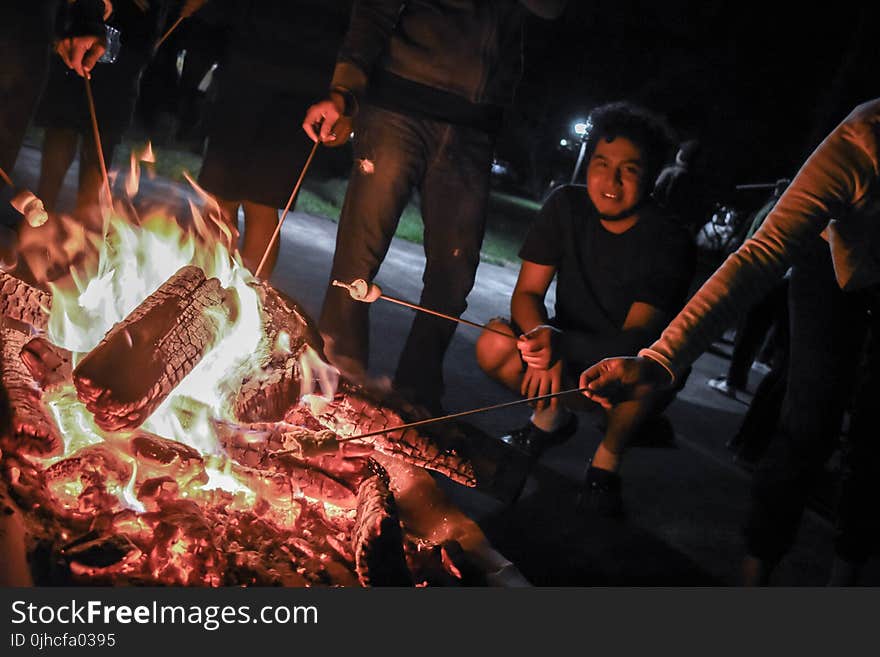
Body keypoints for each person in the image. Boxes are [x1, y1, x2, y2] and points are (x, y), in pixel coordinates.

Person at [581, 99, 880, 584]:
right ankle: (753, 577)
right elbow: (760, 255)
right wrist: (659, 360)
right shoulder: (865, 138)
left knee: (874, 443)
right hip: (835, 264)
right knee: (808, 421)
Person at [302, 0, 568, 416]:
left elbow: (550, 10)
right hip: (399, 101)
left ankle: (414, 401)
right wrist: (344, 90)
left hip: (475, 124)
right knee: (358, 258)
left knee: (454, 274)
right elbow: (372, 13)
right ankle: (331, 391)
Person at [475, 102, 695, 515]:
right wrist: (542, 339)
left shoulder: (668, 239)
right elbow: (527, 295)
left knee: (660, 369)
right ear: (587, 162)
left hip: (624, 374)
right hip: (565, 354)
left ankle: (605, 463)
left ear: (651, 176)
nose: (611, 180)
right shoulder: (566, 206)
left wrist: (562, 348)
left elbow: (638, 338)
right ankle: (549, 421)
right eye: (601, 162)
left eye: (629, 169)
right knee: (493, 340)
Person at [197, 0, 337, 277]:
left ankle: (239, 299)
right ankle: (201, 295)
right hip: (265, 70)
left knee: (254, 203)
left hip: (290, 78)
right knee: (228, 200)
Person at [34, 0, 168, 222]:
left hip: (126, 49)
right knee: (61, 131)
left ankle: (85, 235)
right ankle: (36, 220)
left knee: (101, 143)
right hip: (82, 32)